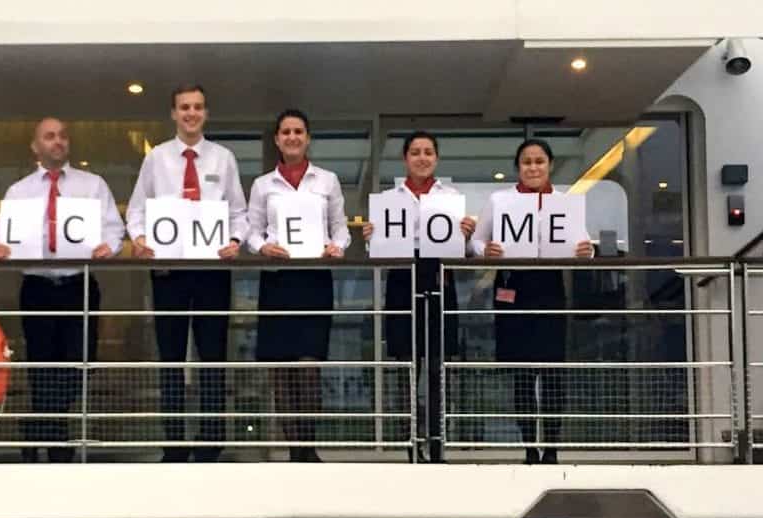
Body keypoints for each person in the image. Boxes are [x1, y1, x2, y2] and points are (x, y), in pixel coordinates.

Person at [0, 118, 126, 463]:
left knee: (78, 364)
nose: (58, 141)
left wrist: (108, 247)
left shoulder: (92, 186)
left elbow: (114, 231)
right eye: (49, 136)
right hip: (37, 286)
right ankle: (56, 439)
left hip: (78, 284)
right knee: (41, 363)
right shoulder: (19, 192)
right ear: (35, 146)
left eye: (63, 136)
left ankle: (40, 427)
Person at [126, 84, 250, 463]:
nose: (191, 114)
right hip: (169, 271)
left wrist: (234, 240)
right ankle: (175, 443)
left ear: (206, 113)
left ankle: (211, 440)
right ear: (173, 113)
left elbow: (239, 214)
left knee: (212, 356)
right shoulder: (156, 159)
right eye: (184, 108)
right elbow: (136, 212)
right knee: (171, 358)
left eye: (197, 107)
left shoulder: (223, 158)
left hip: (212, 270)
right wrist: (141, 239)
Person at [470, 139, 593, 464]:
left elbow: (583, 245)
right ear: (518, 167)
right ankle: (529, 448)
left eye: (539, 161)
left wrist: (587, 251)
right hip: (513, 289)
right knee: (522, 374)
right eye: (527, 162)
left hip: (550, 289)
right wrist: (487, 252)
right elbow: (475, 241)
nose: (533, 167)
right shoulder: (500, 199)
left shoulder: (564, 203)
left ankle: (551, 448)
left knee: (553, 373)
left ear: (549, 164)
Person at [362, 131, 476, 462]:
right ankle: (410, 442)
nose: (422, 158)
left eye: (428, 152)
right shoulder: (390, 198)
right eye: (415, 152)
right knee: (406, 365)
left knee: (437, 366)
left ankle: (437, 441)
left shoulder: (451, 196)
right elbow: (379, 253)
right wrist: (371, 237)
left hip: (439, 277)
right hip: (402, 280)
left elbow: (463, 251)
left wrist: (466, 235)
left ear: (436, 158)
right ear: (405, 158)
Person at [246, 109, 350, 462]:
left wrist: (338, 247)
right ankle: (294, 450)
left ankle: (308, 447)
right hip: (277, 280)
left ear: (308, 138)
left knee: (308, 367)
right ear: (277, 139)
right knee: (281, 369)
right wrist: (262, 247)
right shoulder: (263, 184)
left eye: (299, 131)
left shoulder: (328, 181)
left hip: (314, 280)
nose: (292, 137)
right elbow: (251, 231)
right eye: (286, 131)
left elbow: (341, 228)